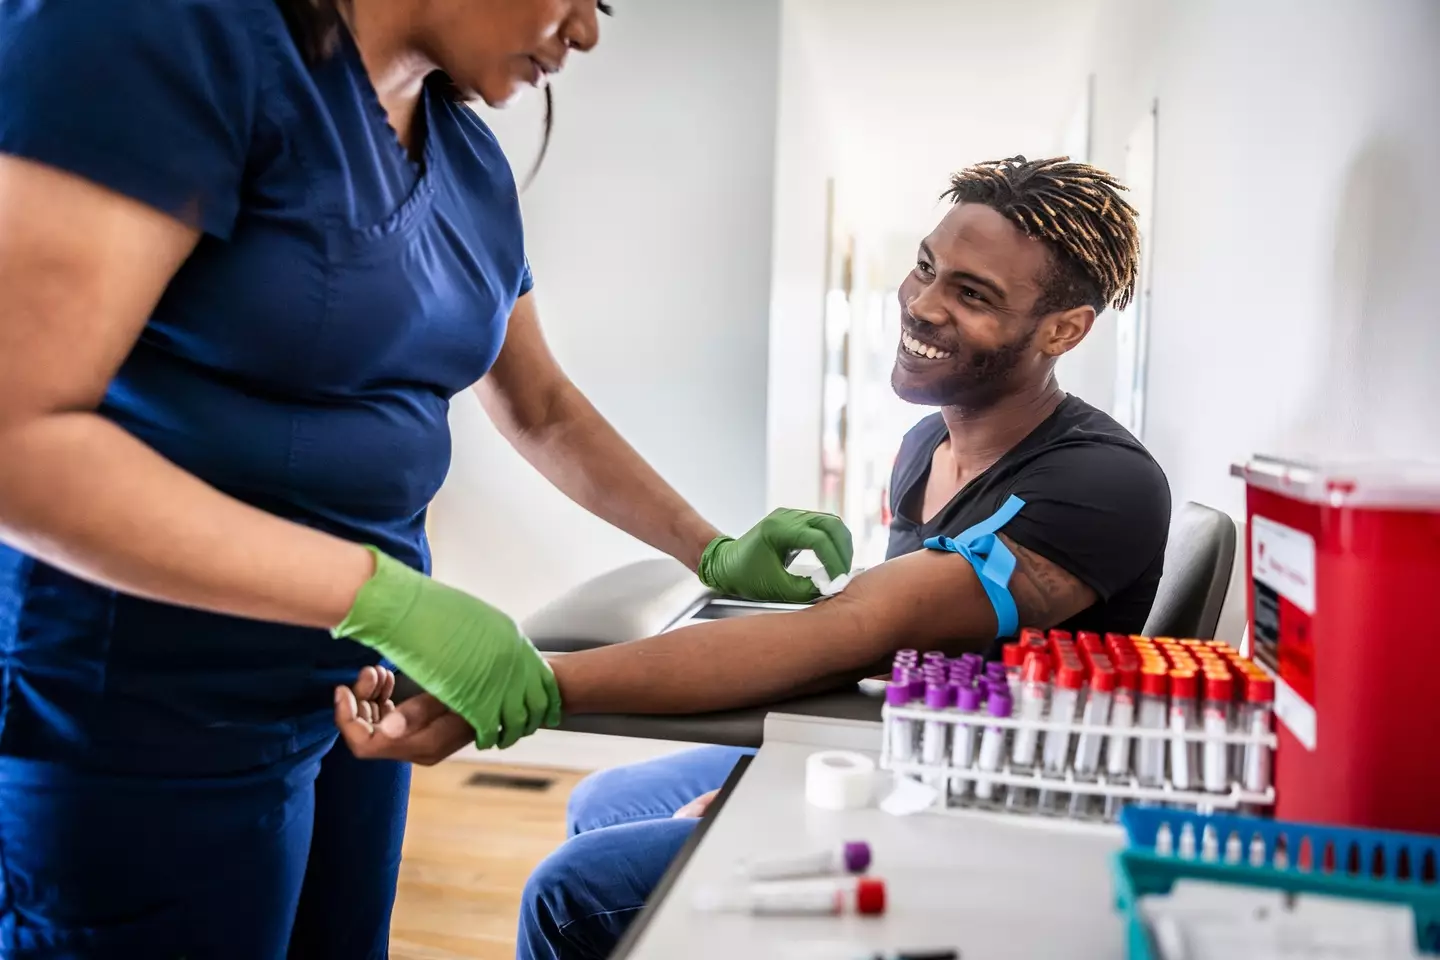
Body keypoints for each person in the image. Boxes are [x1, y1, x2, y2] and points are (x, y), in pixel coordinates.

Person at [0, 0, 851, 956]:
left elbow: (541, 407)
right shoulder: (161, 33)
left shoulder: (471, 162)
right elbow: (19, 438)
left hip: (358, 688)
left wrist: (714, 548)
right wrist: (384, 599)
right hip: (151, 693)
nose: (588, 31)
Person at [337, 156, 1174, 960]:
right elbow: (882, 655)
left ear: (1063, 329)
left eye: (972, 293)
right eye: (925, 267)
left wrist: (530, 680)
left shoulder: (1100, 484)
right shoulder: (926, 446)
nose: (921, 303)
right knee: (598, 801)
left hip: (977, 816)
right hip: (890, 745)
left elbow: (855, 629)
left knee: (570, 892)